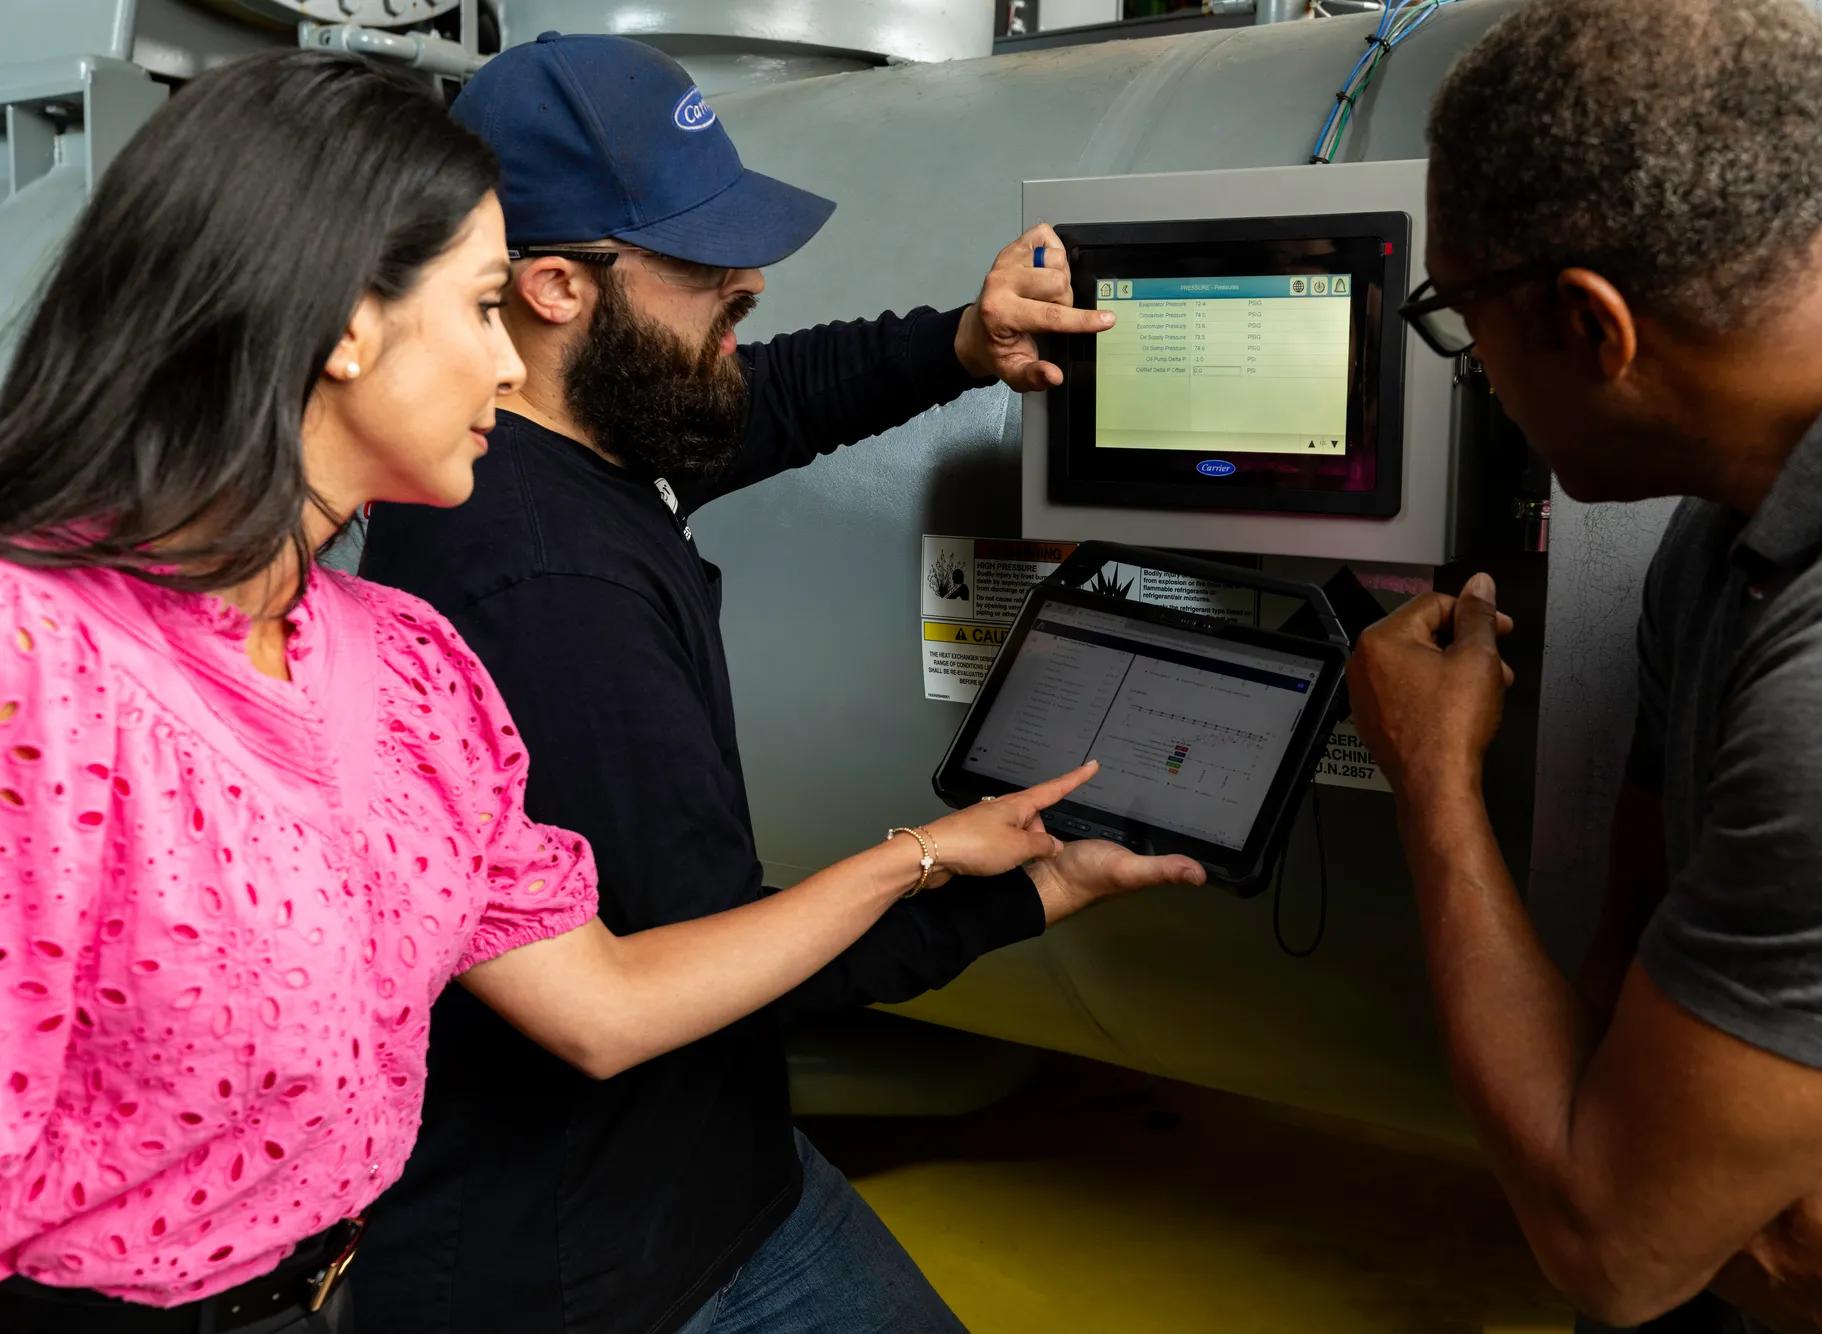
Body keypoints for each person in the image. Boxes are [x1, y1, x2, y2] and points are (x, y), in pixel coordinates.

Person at [0, 50, 1098, 1334]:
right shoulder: (45, 676)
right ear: (351, 325)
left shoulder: (402, 661)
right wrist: (983, 889)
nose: (508, 370)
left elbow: (602, 999)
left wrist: (936, 862)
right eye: (479, 308)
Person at [354, 33, 1204, 1334]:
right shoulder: (546, 587)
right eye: (702, 263)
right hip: (606, 1265)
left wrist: (965, 343)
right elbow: (722, 965)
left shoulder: (571, 433)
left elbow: (762, 402)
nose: (746, 280)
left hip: (714, 1168)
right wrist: (1026, 892)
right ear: (555, 287)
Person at [1348, 1, 1822, 1330]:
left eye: (1464, 323)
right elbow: (1627, 954)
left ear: (1591, 327)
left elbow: (1611, 1246)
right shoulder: (1727, 535)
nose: (1480, 376)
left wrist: (1430, 771)